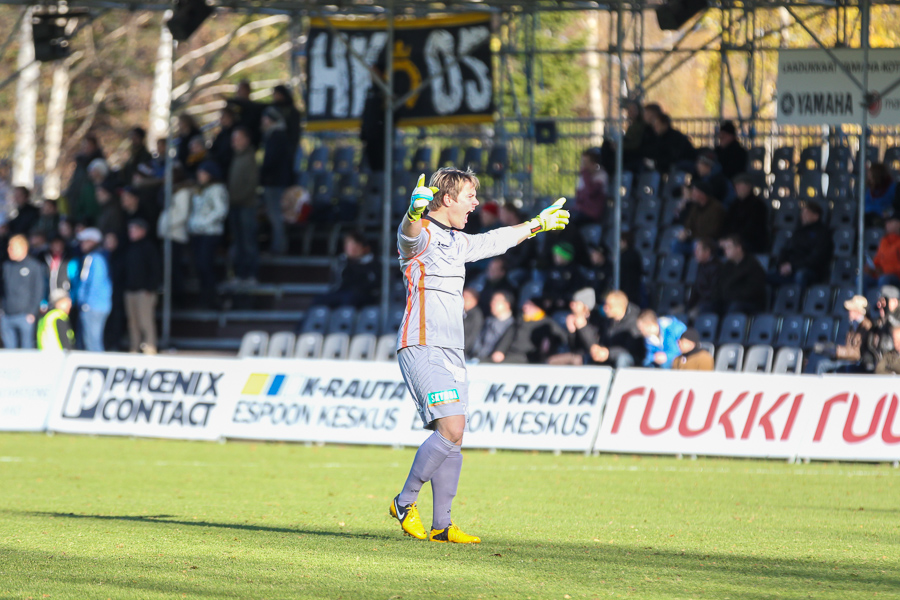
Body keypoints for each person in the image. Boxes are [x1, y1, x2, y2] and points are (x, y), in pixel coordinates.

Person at [390, 167, 569, 544]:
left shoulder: (458, 241)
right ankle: (404, 502)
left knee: (454, 438)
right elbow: (407, 239)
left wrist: (536, 224)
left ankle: (442, 526)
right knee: (451, 428)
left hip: (453, 351)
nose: (475, 202)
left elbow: (496, 240)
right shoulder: (422, 234)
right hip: (422, 345)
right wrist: (412, 214)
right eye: (470, 195)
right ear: (448, 198)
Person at [188, 161, 229, 309]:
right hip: (198, 233)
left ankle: (212, 297)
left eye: (203, 173)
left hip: (210, 233)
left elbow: (220, 210)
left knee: (205, 265)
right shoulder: (200, 189)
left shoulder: (217, 189)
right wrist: (193, 223)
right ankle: (204, 297)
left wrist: (203, 222)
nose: (200, 176)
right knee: (199, 266)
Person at [768, 201, 833, 288]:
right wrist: (782, 264)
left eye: (806, 213)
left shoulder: (822, 234)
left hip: (810, 270)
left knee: (801, 275)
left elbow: (815, 258)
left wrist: (793, 266)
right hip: (791, 268)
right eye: (802, 212)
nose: (802, 216)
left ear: (816, 216)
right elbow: (786, 250)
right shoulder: (798, 231)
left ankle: (799, 299)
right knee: (766, 275)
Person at [806, 295, 873, 374]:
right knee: (820, 361)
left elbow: (857, 353)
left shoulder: (866, 326)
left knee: (823, 365)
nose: (849, 312)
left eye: (851, 310)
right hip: (848, 360)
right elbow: (849, 347)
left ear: (858, 311)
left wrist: (836, 351)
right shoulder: (853, 325)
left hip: (856, 362)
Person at [226, 126, 260, 284]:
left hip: (246, 206)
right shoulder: (236, 157)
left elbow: (251, 184)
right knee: (238, 242)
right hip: (235, 206)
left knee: (248, 242)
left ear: (246, 140)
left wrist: (236, 198)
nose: (234, 142)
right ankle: (239, 274)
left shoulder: (250, 158)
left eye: (238, 139)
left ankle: (251, 274)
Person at [124, 219, 161, 354]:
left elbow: (155, 270)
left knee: (145, 321)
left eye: (134, 229)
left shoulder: (149, 247)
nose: (131, 232)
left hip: (144, 292)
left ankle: (150, 347)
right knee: (132, 322)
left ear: (142, 231)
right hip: (130, 291)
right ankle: (135, 347)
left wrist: (149, 288)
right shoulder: (129, 247)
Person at [259, 106, 293, 255]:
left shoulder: (276, 136)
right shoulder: (278, 136)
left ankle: (278, 247)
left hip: (275, 182)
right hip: (277, 181)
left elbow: (270, 161)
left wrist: (262, 175)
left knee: (276, 215)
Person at [314, 231, 379, 308]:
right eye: (347, 244)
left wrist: (356, 263)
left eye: (352, 244)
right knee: (319, 299)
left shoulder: (371, 262)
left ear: (360, 246)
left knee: (349, 298)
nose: (348, 247)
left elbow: (372, 284)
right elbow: (337, 282)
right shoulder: (342, 261)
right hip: (343, 292)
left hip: (364, 295)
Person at [492, 297, 566, 364]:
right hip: (511, 354)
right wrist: (500, 350)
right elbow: (507, 337)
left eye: (530, 305)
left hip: (529, 357)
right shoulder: (519, 322)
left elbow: (561, 337)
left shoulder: (547, 323)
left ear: (538, 308)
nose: (525, 307)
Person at [1, 235, 44, 348]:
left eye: (13, 248)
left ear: (23, 248)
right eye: (9, 247)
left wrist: (32, 312)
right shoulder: (6, 266)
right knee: (9, 349)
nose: (9, 250)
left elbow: (38, 290)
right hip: (6, 315)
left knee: (26, 349)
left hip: (25, 315)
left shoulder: (34, 266)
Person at [73, 227, 112, 352]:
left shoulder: (96, 259)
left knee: (93, 341)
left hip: (94, 306)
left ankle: (98, 368)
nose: (82, 244)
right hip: (93, 305)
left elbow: (96, 283)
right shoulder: (91, 257)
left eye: (85, 241)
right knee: (90, 340)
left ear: (93, 241)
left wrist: (87, 303)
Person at [589, 290, 645, 368]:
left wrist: (608, 353)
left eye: (609, 305)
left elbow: (630, 349)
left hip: (631, 358)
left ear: (620, 307)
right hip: (609, 354)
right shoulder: (606, 320)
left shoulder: (635, 321)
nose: (605, 308)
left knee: (623, 358)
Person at [548, 287, 601, 366]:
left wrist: (582, 327)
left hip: (592, 356)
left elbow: (593, 345)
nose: (572, 305)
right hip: (576, 354)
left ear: (585, 306)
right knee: (551, 360)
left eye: (576, 303)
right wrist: (571, 331)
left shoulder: (596, 319)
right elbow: (573, 347)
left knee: (576, 360)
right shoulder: (573, 318)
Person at [718, 234, 767, 315]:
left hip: (750, 303)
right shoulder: (727, 266)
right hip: (730, 300)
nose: (725, 251)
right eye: (725, 248)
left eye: (729, 248)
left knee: (734, 307)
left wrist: (731, 295)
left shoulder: (752, 266)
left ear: (738, 248)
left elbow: (753, 291)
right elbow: (720, 285)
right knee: (709, 306)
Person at [673, 181, 725, 254]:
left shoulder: (716, 208)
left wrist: (690, 234)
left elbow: (712, 231)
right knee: (676, 244)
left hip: (709, 241)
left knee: (697, 244)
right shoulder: (695, 206)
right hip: (694, 238)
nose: (692, 194)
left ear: (702, 194)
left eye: (695, 192)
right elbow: (688, 223)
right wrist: (685, 232)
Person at [724, 173, 769, 254]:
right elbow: (728, 223)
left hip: (751, 242)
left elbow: (753, 228)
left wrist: (735, 239)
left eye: (739, 185)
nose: (736, 188)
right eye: (736, 186)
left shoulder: (758, 205)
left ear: (748, 186)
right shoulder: (734, 204)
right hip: (734, 239)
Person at [471, 289, 516, 363]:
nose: (492, 303)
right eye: (492, 301)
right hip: (478, 359)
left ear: (507, 305)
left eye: (496, 301)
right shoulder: (488, 321)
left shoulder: (513, 325)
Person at [687, 237, 721, 318]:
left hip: (711, 304)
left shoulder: (717, 267)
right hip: (700, 302)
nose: (695, 253)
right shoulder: (701, 265)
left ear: (707, 252)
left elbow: (714, 293)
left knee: (691, 316)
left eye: (698, 250)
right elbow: (696, 288)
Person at [864, 216, 900, 290]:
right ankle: (863, 301)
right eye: (886, 222)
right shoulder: (884, 241)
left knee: (884, 279)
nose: (887, 224)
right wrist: (871, 268)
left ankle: (884, 301)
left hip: (896, 277)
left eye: (890, 222)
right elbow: (877, 261)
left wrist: (884, 271)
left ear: (898, 223)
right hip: (882, 275)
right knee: (863, 279)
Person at [462, 287, 483, 360]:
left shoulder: (476, 315)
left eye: (466, 297)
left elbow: (472, 336)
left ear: (475, 300)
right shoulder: (462, 313)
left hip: (468, 353)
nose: (463, 299)